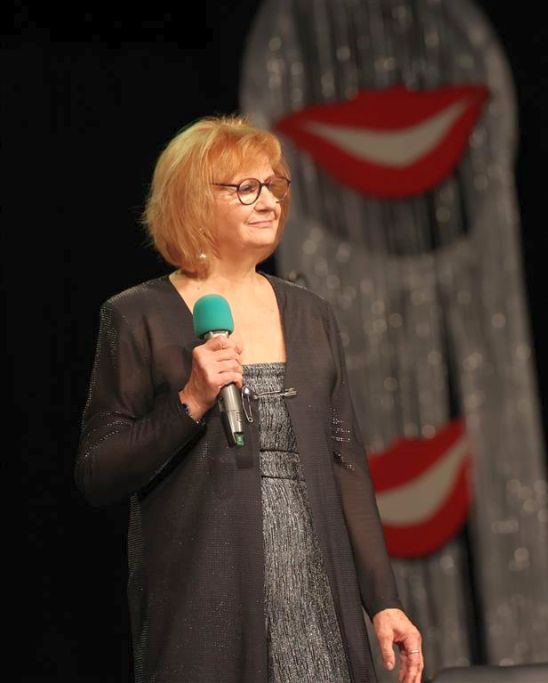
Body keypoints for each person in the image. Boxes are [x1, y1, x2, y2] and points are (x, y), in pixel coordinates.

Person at [75, 115, 423, 683]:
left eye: (274, 185)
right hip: (205, 596)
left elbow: (346, 464)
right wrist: (190, 401)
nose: (268, 202)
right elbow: (97, 470)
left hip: (316, 589)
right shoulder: (138, 316)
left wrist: (383, 600)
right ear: (192, 201)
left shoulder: (310, 314)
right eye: (245, 188)